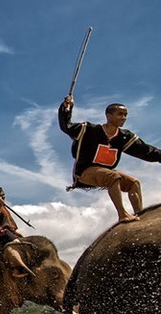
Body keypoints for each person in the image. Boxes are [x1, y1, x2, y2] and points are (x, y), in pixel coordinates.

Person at [59, 94, 161, 223]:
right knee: (113, 177)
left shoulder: (124, 137)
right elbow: (66, 126)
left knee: (134, 183)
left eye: (125, 115)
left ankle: (140, 216)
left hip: (106, 172)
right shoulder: (88, 130)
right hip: (86, 172)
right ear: (108, 116)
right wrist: (66, 109)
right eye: (120, 114)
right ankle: (122, 214)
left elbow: (147, 151)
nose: (123, 118)